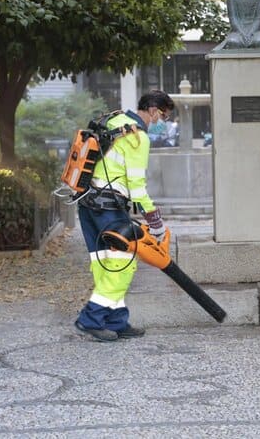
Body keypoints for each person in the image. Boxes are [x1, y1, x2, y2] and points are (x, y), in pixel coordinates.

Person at [74, 90, 175, 342]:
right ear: (152, 110)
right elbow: (137, 188)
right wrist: (156, 224)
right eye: (162, 116)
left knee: (105, 264)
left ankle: (116, 321)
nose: (160, 121)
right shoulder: (138, 138)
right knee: (123, 266)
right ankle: (91, 319)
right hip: (109, 207)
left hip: (87, 204)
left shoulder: (114, 119)